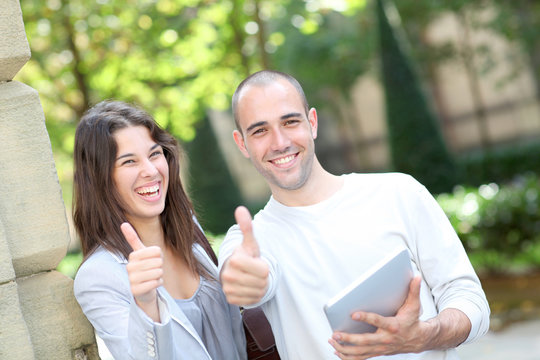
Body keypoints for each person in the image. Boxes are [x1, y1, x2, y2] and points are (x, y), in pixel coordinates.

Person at [218, 70, 490, 360]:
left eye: (290, 121)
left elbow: (470, 301)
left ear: (312, 122)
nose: (279, 141)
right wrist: (247, 283)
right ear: (241, 143)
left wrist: (423, 336)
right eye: (260, 130)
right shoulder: (251, 242)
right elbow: (243, 276)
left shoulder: (399, 193)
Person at [72, 100, 246, 360]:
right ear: (100, 179)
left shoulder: (188, 229)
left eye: (155, 154)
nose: (151, 171)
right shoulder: (98, 277)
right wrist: (145, 303)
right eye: (129, 162)